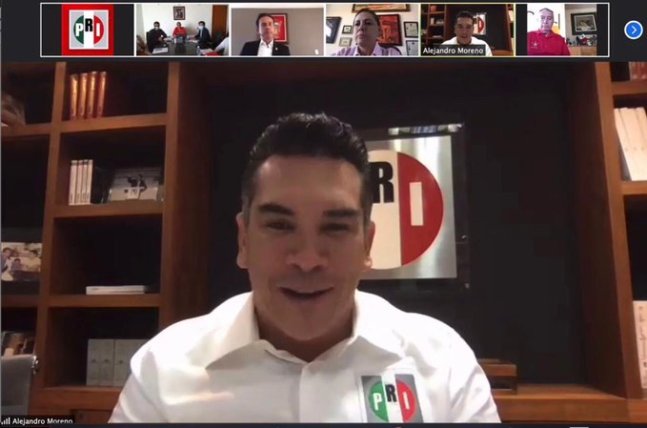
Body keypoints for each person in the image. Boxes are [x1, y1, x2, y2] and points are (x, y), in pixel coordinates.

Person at [109, 113, 500, 423]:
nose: (308, 259)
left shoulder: (443, 364)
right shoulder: (163, 370)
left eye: (335, 227)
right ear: (244, 241)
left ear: (367, 245)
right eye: (280, 226)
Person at [333, 9, 401, 56]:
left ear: (379, 31)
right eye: (357, 24)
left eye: (368, 23)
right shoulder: (343, 53)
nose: (361, 27)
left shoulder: (392, 54)